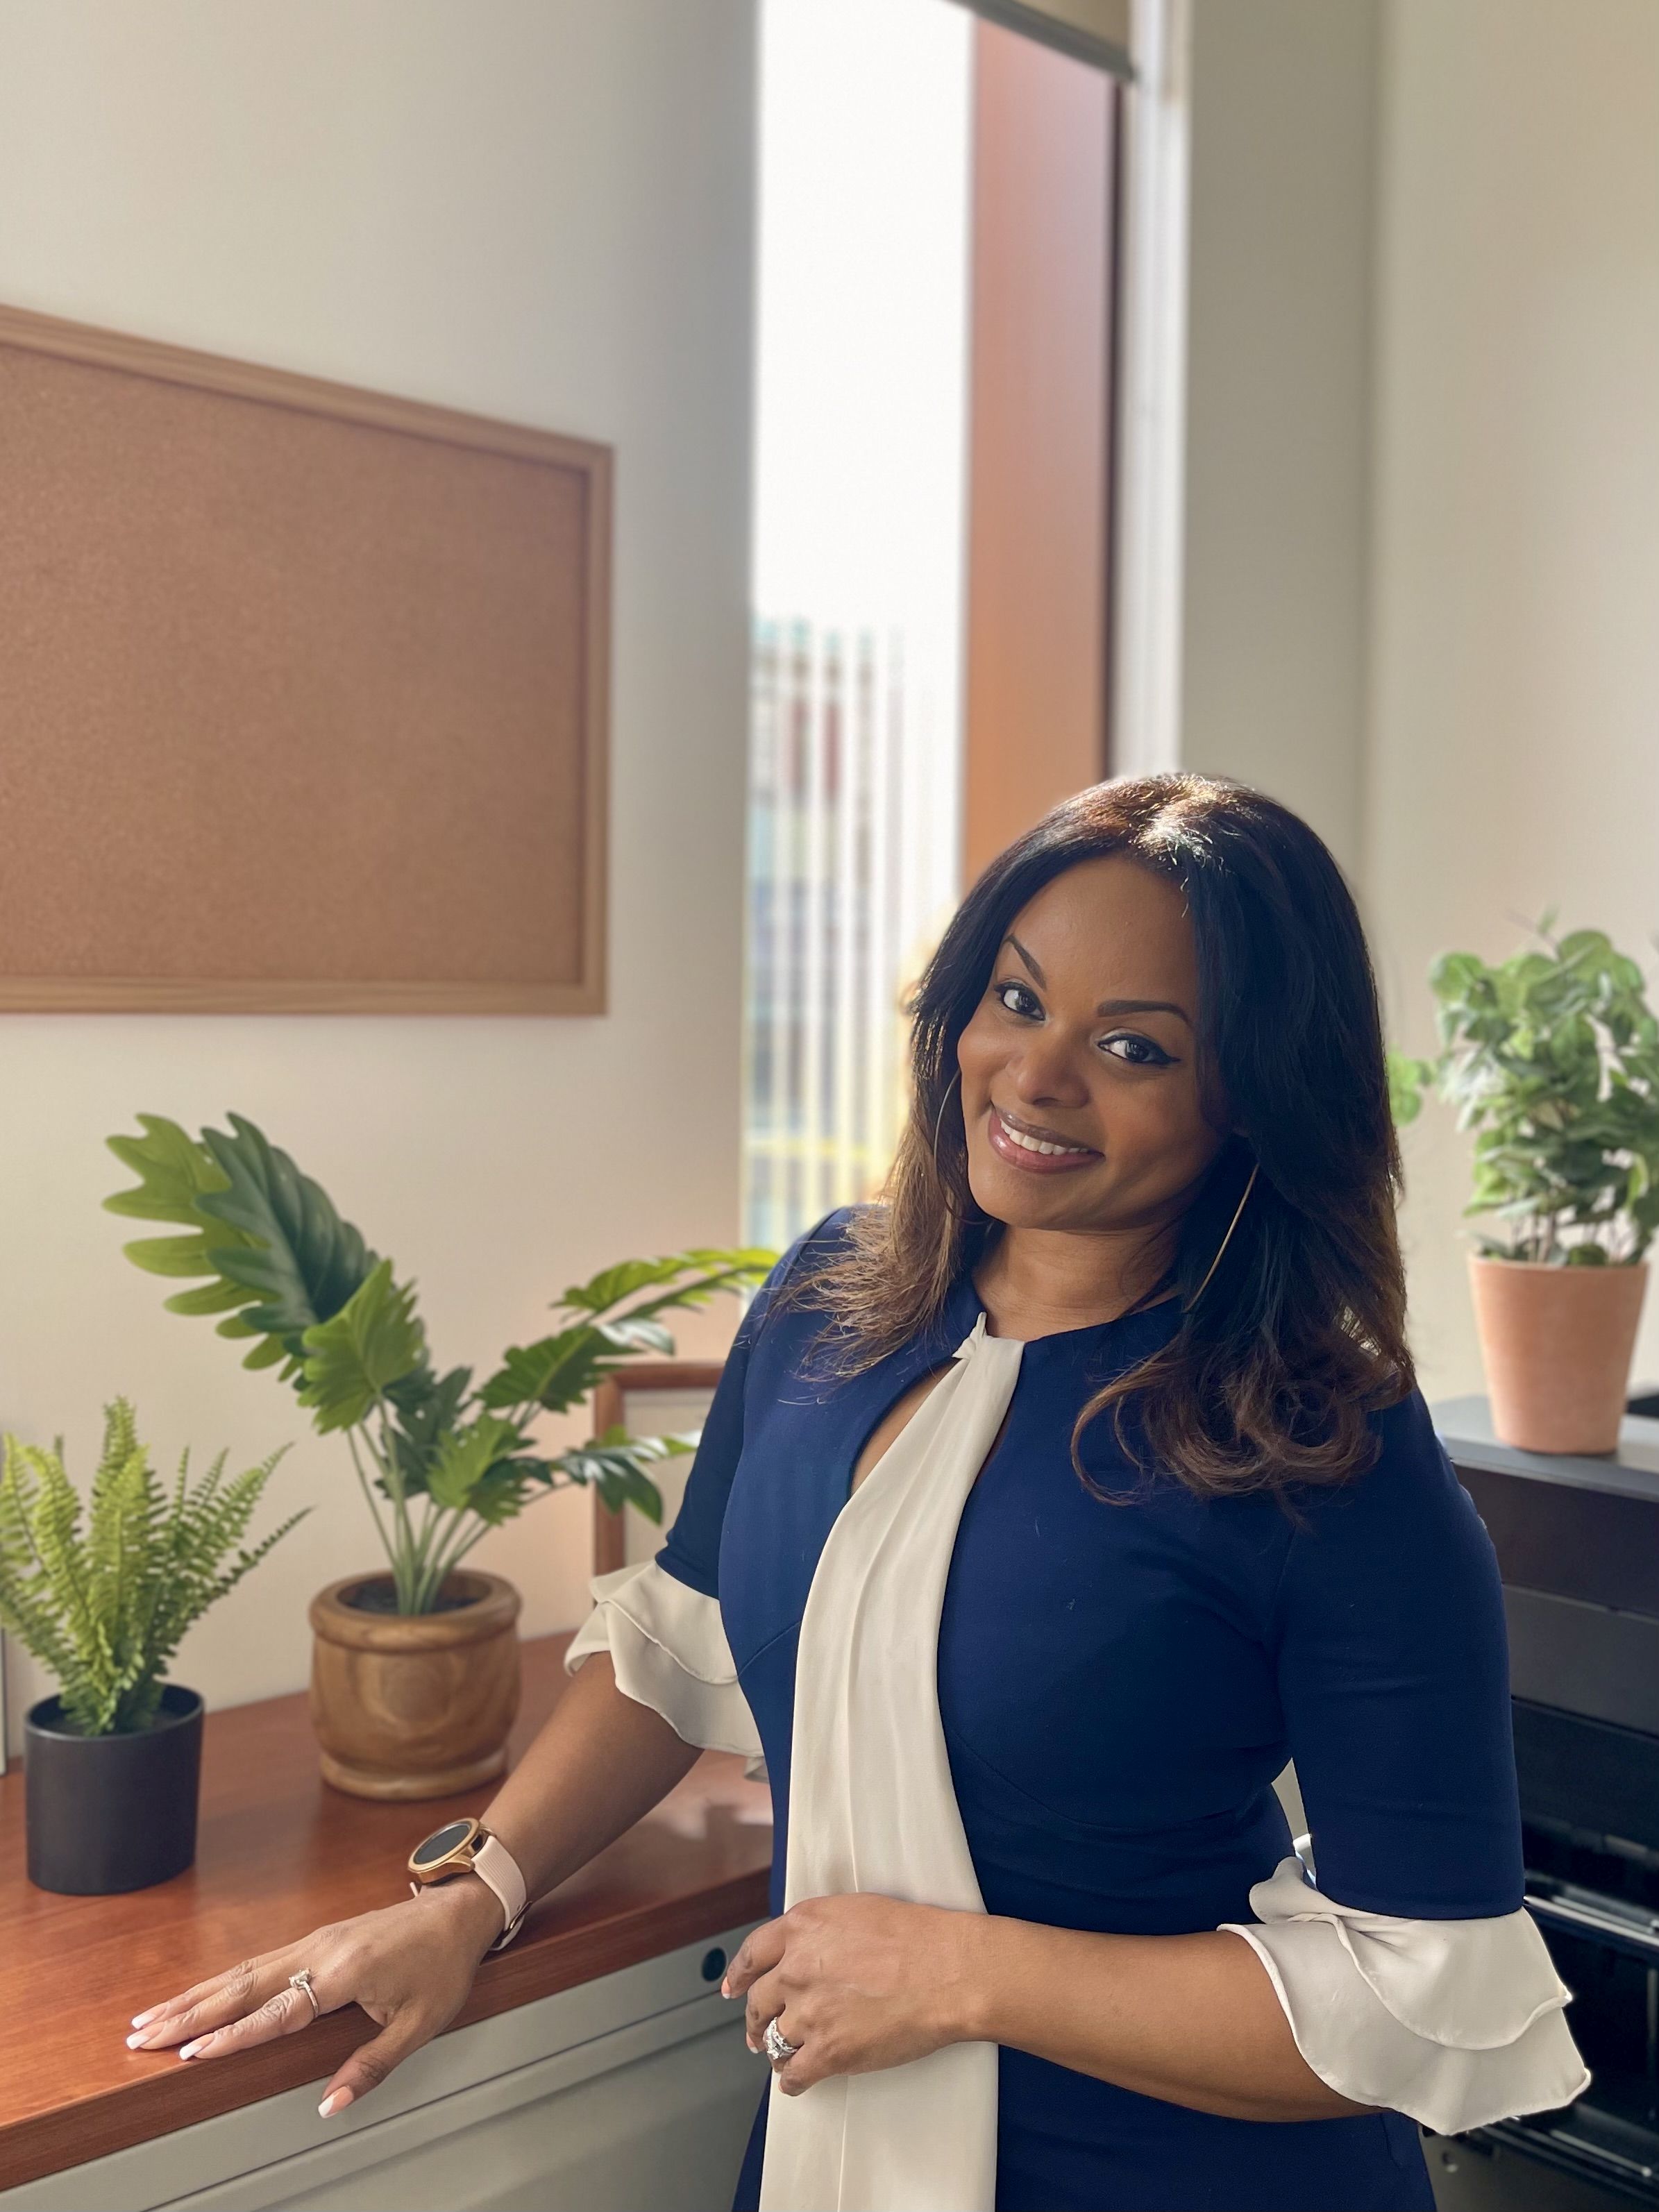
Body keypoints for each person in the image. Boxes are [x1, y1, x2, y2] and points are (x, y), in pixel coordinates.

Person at [126, 772, 1588, 2212]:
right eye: (1014, 1000)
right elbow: (679, 1645)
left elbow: (1417, 1995)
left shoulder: (1324, 1435)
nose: (1035, 1075)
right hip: (835, 2140)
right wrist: (469, 1899)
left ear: (1253, 1100)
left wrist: (962, 1971)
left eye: (1134, 1047)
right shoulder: (833, 1298)